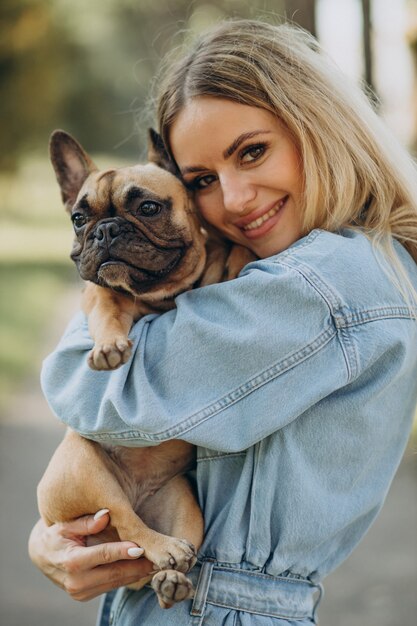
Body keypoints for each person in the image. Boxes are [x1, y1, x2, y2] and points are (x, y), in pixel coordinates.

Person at [29, 19, 417, 626]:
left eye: (253, 151)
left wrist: (103, 300)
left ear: (319, 129)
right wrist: (60, 531)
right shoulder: (288, 270)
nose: (234, 200)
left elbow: (93, 396)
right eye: (203, 181)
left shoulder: (324, 283)